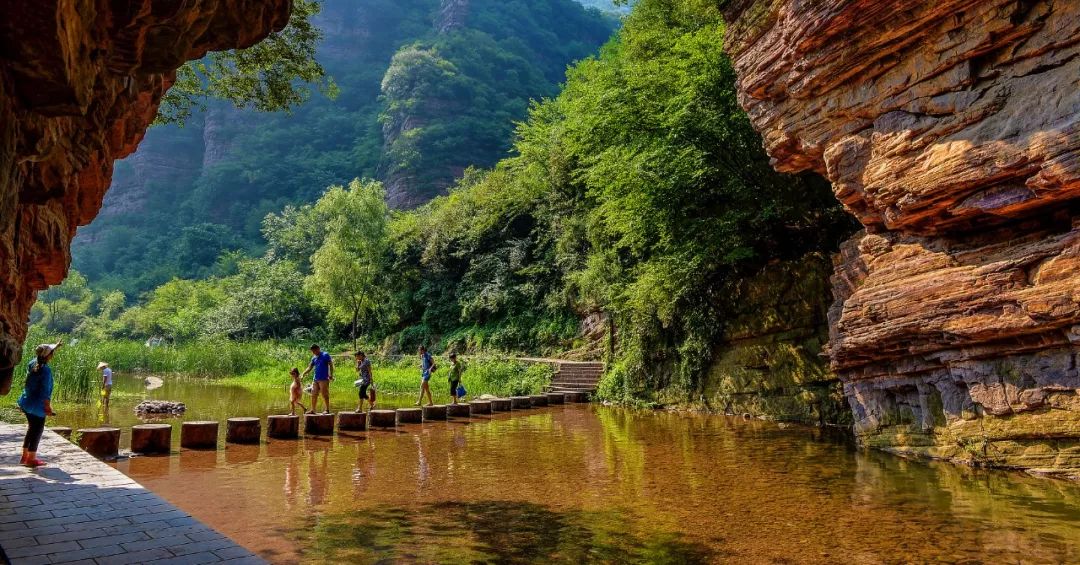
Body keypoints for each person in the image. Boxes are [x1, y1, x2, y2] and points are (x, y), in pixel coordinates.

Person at [19, 342, 60, 467]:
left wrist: (55, 346)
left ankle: (24, 456)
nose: (53, 355)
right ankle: (31, 459)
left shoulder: (32, 363)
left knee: (31, 428)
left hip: (26, 402)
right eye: (52, 353)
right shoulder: (46, 370)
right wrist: (48, 408)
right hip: (37, 406)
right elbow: (45, 392)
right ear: (48, 356)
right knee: (37, 430)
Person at [301, 344, 334, 414]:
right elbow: (309, 367)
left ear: (318, 349)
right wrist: (303, 374)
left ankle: (327, 409)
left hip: (324, 378)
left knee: (324, 394)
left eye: (314, 351)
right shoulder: (314, 358)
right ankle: (313, 410)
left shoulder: (325, 355)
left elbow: (331, 365)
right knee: (313, 394)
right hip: (316, 379)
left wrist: (331, 374)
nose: (313, 353)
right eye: (312, 351)